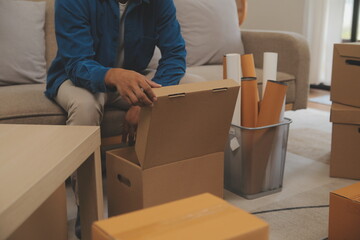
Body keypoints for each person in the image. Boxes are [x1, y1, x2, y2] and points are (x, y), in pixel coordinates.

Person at [45, 0, 186, 238]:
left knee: (193, 86)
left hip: (132, 78)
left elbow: (175, 54)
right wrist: (113, 75)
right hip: (78, 78)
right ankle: (88, 213)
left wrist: (147, 102)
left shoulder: (160, 2)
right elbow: (76, 63)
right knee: (85, 106)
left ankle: (166, 196)